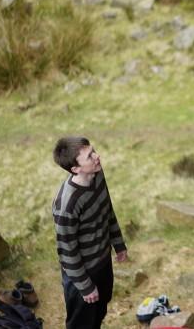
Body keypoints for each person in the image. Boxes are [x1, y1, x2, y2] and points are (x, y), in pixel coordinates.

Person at [51, 136, 128, 329]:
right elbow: (66, 252)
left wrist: (118, 244)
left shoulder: (97, 174)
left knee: (100, 312)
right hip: (82, 275)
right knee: (81, 324)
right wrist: (85, 286)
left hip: (103, 261)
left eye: (94, 151)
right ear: (75, 169)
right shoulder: (67, 204)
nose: (97, 156)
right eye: (89, 156)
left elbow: (107, 210)